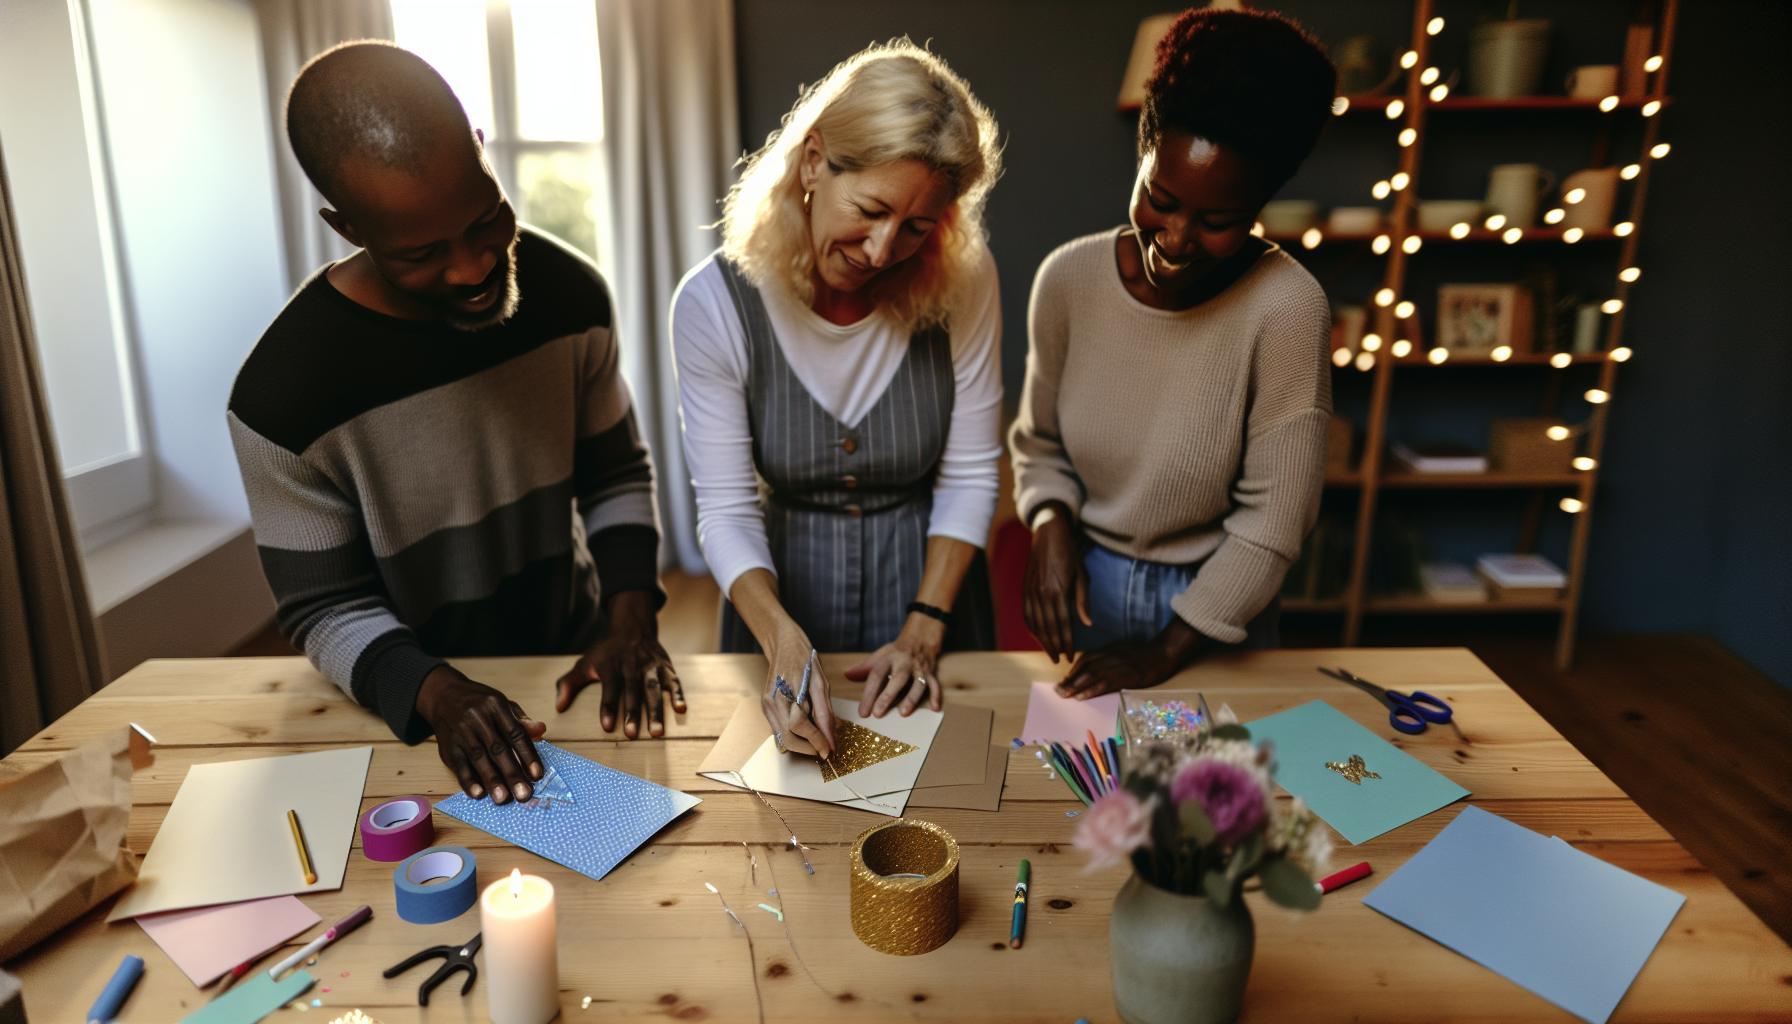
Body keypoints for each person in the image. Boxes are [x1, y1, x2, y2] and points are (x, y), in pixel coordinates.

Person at [228, 42, 681, 805]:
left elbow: (614, 472)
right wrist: (437, 695)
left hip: (568, 661)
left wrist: (630, 613)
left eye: (485, 220)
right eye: (422, 253)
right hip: (405, 701)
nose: (474, 268)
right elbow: (322, 608)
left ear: (481, 152)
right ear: (347, 228)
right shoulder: (282, 399)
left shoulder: (572, 297)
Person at [672, 40, 1004, 758]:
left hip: (931, 595)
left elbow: (973, 473)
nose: (884, 250)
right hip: (779, 596)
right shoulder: (713, 303)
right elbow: (725, 509)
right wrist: (781, 638)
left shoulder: (965, 282)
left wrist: (924, 627)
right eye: (873, 209)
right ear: (814, 162)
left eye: (917, 227)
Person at [1011, 8, 1337, 699]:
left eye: (1218, 222)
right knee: (1088, 801)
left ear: (1260, 203)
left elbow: (1274, 523)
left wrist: (1166, 650)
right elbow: (1039, 446)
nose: (1178, 239)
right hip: (1086, 594)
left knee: (1215, 804)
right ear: (1143, 147)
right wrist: (1049, 524)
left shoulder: (1287, 308)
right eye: (1160, 198)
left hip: (1220, 607)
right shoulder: (1068, 279)